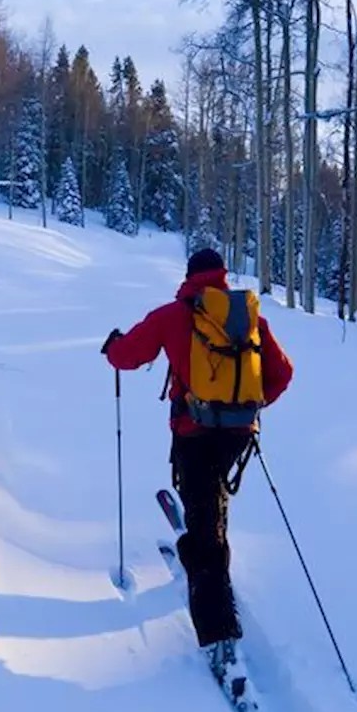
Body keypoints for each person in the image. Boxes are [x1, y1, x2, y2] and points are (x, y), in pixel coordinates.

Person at [101, 247, 293, 679]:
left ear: (190, 276)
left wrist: (112, 348)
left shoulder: (174, 315)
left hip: (193, 432)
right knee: (211, 497)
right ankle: (209, 529)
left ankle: (218, 632)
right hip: (239, 434)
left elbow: (128, 355)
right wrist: (248, 405)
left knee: (204, 533)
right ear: (222, 277)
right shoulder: (249, 319)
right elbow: (282, 374)